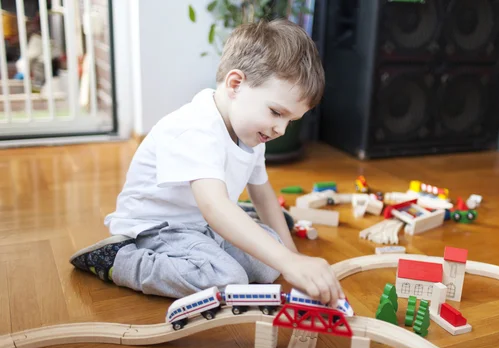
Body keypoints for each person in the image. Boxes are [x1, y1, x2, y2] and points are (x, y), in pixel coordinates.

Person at [69, 18, 345, 305]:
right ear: (236, 84)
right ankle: (119, 260)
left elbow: (262, 194)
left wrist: (292, 256)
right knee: (228, 279)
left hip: (202, 225)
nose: (281, 130)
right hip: (158, 228)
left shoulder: (252, 132)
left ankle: (237, 227)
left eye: (291, 120)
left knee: (269, 262)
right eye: (277, 112)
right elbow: (214, 207)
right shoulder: (196, 127)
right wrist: (290, 262)